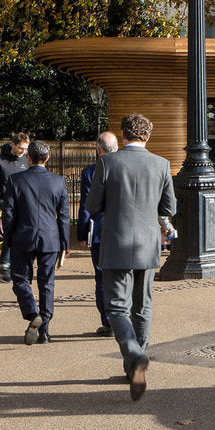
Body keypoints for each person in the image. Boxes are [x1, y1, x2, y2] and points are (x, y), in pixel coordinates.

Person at [89, 113, 177, 400]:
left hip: (115, 242)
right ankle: (135, 364)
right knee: (143, 305)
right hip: (148, 243)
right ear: (147, 137)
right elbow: (169, 207)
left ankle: (134, 355)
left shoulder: (107, 162)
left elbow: (92, 205)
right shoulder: (162, 164)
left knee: (116, 308)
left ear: (123, 135)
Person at [3, 140, 69, 344]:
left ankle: (33, 314)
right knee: (46, 283)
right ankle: (45, 330)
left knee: (21, 279)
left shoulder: (15, 180)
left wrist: (8, 238)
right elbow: (64, 216)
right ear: (47, 158)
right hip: (50, 238)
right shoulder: (58, 181)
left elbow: (8, 213)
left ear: (28, 157)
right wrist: (65, 243)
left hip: (23, 236)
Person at [78, 132, 120, 336]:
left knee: (102, 277)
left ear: (98, 149)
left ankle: (108, 320)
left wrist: (81, 232)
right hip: (122, 229)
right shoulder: (124, 168)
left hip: (100, 230)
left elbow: (86, 206)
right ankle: (122, 317)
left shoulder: (89, 172)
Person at [0, 132, 30, 281]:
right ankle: (5, 264)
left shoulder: (25, 160)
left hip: (22, 202)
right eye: (20, 148)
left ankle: (16, 264)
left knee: (21, 234)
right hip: (5, 203)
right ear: (13, 145)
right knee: (9, 233)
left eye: (26, 149)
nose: (23, 152)